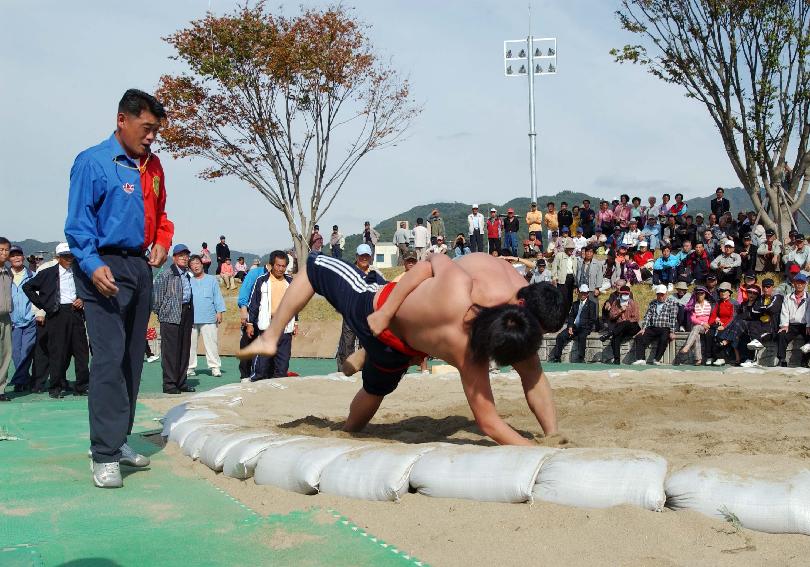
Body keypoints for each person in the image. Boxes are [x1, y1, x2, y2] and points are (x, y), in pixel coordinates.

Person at [238, 250, 568, 446]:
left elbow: (432, 264)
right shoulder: (468, 343)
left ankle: (348, 424)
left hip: (403, 342)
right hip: (380, 315)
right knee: (314, 264)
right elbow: (489, 420)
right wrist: (384, 312)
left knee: (376, 386)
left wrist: (550, 437)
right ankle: (274, 337)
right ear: (522, 304)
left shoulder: (468, 286)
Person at [22, 243, 90, 398]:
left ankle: (82, 386)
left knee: (81, 352)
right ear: (58, 258)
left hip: (76, 313)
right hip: (56, 314)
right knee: (57, 352)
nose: (69, 259)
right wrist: (43, 305)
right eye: (65, 256)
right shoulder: (47, 273)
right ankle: (55, 387)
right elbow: (28, 287)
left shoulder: (80, 272)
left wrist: (82, 299)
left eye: (71, 256)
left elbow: (90, 288)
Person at [335, 244, 388, 374]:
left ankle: (367, 368)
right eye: (361, 256)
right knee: (347, 342)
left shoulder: (376, 273)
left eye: (366, 256)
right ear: (356, 256)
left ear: (370, 257)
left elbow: (383, 290)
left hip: (369, 313)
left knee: (368, 342)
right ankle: (344, 369)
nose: (364, 258)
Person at [246, 250, 299, 380]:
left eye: (283, 266)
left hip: (285, 327)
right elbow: (254, 303)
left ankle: (277, 396)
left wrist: (296, 322)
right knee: (261, 365)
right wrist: (250, 323)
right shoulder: (262, 281)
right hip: (267, 326)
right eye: (278, 265)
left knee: (282, 365)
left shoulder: (291, 282)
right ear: (271, 265)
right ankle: (255, 384)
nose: (281, 269)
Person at [153, 244, 195, 395]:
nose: (184, 258)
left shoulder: (187, 274)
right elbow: (156, 300)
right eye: (181, 255)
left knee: (184, 349)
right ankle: (170, 384)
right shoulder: (166, 274)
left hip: (186, 313)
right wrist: (163, 313)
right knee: (170, 352)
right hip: (170, 316)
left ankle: (181, 382)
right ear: (174, 257)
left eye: (186, 255)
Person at [187, 255, 226, 378]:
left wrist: (219, 311)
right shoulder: (188, 280)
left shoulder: (211, 279)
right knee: (190, 344)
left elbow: (217, 296)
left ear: (202, 264)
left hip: (209, 316)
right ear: (190, 268)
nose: (196, 266)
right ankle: (190, 367)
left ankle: (215, 367)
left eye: (197, 263)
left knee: (211, 343)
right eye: (192, 264)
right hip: (191, 318)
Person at [8, 246, 36, 393]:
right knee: (15, 353)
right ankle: (24, 378)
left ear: (23, 257)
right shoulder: (5, 276)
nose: (16, 258)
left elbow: (39, 295)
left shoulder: (33, 275)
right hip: (12, 321)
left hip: (30, 320)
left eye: (19, 255)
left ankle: (20, 381)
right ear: (9, 259)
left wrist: (38, 313)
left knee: (26, 351)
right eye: (13, 256)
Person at [237, 257, 270, 378]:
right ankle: (245, 375)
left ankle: (264, 373)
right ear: (270, 264)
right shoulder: (254, 273)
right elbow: (244, 294)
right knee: (248, 345)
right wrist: (244, 312)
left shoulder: (278, 277)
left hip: (267, 317)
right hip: (251, 314)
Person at [547, 285, 597, 363]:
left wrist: (585, 327)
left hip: (584, 328)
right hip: (574, 327)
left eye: (585, 293)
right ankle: (557, 357)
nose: (583, 295)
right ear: (579, 293)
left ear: (587, 294)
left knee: (582, 336)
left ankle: (581, 358)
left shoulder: (592, 304)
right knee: (560, 336)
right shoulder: (575, 304)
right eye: (581, 293)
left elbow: (593, 319)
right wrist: (570, 326)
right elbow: (571, 316)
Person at [633, 285, 678, 365]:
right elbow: (647, 316)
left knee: (664, 339)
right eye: (658, 294)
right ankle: (641, 359)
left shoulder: (672, 303)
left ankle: (656, 359)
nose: (660, 296)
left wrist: (672, 331)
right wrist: (643, 328)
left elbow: (673, 318)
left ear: (666, 293)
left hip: (665, 327)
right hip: (653, 327)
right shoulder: (652, 303)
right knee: (639, 337)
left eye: (662, 294)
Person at [599, 285, 640, 365]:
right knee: (615, 338)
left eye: (626, 294)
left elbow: (636, 318)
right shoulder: (616, 303)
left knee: (625, 323)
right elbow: (611, 316)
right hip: (620, 328)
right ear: (620, 294)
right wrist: (620, 310)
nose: (624, 295)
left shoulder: (633, 303)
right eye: (623, 293)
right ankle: (617, 359)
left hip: (632, 327)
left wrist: (625, 321)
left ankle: (609, 334)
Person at [776, 272, 810, 367]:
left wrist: (809, 325)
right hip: (792, 325)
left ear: (805, 284)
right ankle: (782, 359)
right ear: (794, 284)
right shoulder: (788, 297)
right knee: (782, 335)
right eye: (797, 283)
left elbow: (809, 312)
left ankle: (805, 361)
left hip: (805, 324)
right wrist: (784, 325)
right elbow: (785, 312)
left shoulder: (809, 298)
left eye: (802, 283)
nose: (799, 285)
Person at [744, 278, 782, 358]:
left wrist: (762, 309)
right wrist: (765, 309)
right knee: (750, 324)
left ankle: (753, 359)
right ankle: (750, 358)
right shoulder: (760, 298)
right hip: (760, 324)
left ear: (772, 287)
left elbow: (773, 309)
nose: (765, 289)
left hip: (771, 326)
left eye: (768, 287)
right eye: (764, 287)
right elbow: (754, 310)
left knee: (755, 336)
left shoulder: (777, 297)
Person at [704, 282, 737, 366]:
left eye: (724, 291)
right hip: (718, 324)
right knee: (709, 333)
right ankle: (710, 356)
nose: (722, 292)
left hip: (730, 326)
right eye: (720, 291)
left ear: (729, 292)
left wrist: (724, 326)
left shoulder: (734, 303)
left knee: (719, 335)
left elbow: (733, 317)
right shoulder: (718, 302)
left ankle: (721, 358)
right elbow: (714, 314)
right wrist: (710, 323)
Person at [678, 286, 712, 365]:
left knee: (696, 329)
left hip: (707, 327)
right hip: (697, 325)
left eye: (702, 293)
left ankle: (687, 347)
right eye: (698, 293)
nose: (700, 295)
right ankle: (698, 359)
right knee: (696, 334)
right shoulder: (693, 305)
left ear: (705, 294)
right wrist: (702, 323)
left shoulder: (709, 305)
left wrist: (710, 323)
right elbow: (693, 319)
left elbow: (713, 316)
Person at [0, 238, 12, 400]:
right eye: (0, 250)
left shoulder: (7, 272)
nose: (4, 253)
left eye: (6, 250)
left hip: (6, 318)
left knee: (5, 353)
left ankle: (1, 389)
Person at [550, 238, 577, 307]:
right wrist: (554, 277)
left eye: (572, 248)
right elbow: (554, 267)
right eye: (569, 248)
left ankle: (568, 313)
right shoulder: (559, 255)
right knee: (562, 297)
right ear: (566, 248)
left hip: (571, 278)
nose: (571, 250)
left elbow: (575, 269)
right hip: (562, 278)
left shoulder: (574, 257)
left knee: (570, 297)